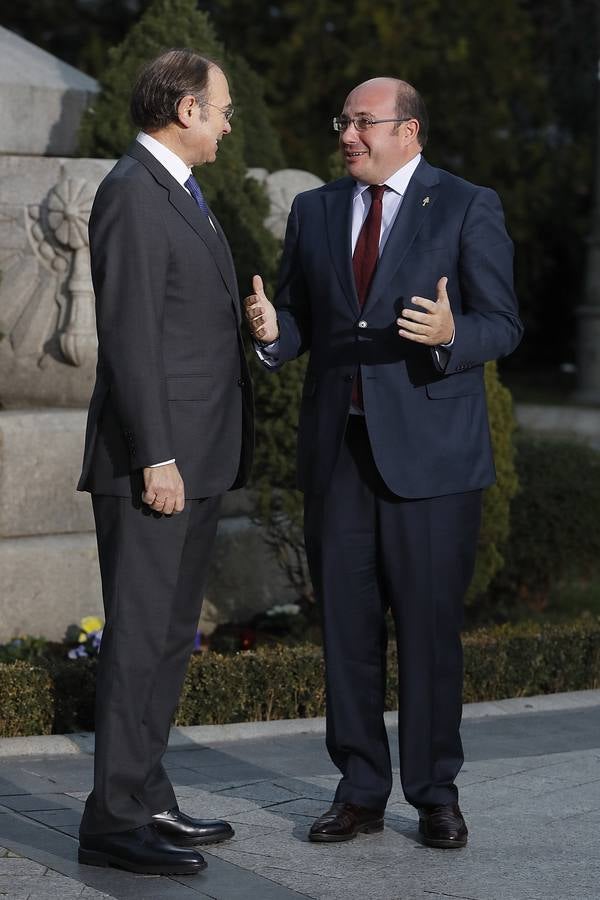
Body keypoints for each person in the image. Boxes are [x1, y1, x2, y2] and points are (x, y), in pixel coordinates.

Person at [245, 77, 522, 849]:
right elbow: (304, 319)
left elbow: (503, 323)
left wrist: (449, 334)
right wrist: (274, 330)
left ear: (410, 131)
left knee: (430, 632)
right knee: (347, 631)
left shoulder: (467, 204)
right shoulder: (315, 210)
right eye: (344, 121)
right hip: (339, 456)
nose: (348, 135)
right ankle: (360, 789)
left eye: (364, 123)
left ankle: (435, 793)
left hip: (432, 462)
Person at [77, 49, 253, 875]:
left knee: (168, 640)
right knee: (141, 639)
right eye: (221, 108)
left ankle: (145, 793)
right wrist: (158, 457)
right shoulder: (132, 193)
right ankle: (113, 821)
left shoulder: (182, 192)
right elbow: (131, 339)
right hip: (158, 465)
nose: (227, 121)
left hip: (198, 458)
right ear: (184, 109)